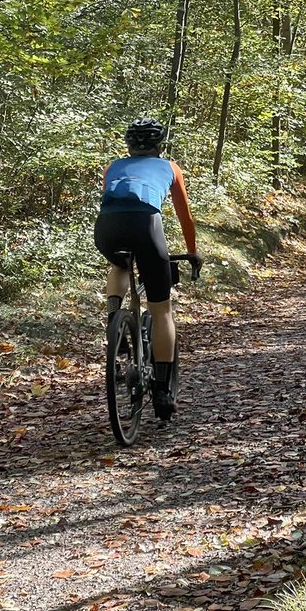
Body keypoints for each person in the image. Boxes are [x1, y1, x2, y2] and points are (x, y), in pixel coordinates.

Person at [94, 118, 201, 420]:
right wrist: (191, 252)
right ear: (159, 145)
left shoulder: (112, 167)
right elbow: (185, 217)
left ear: (128, 145)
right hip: (146, 226)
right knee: (161, 309)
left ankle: (115, 321)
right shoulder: (170, 167)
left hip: (106, 229)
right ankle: (163, 391)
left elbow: (111, 201)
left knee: (119, 263)